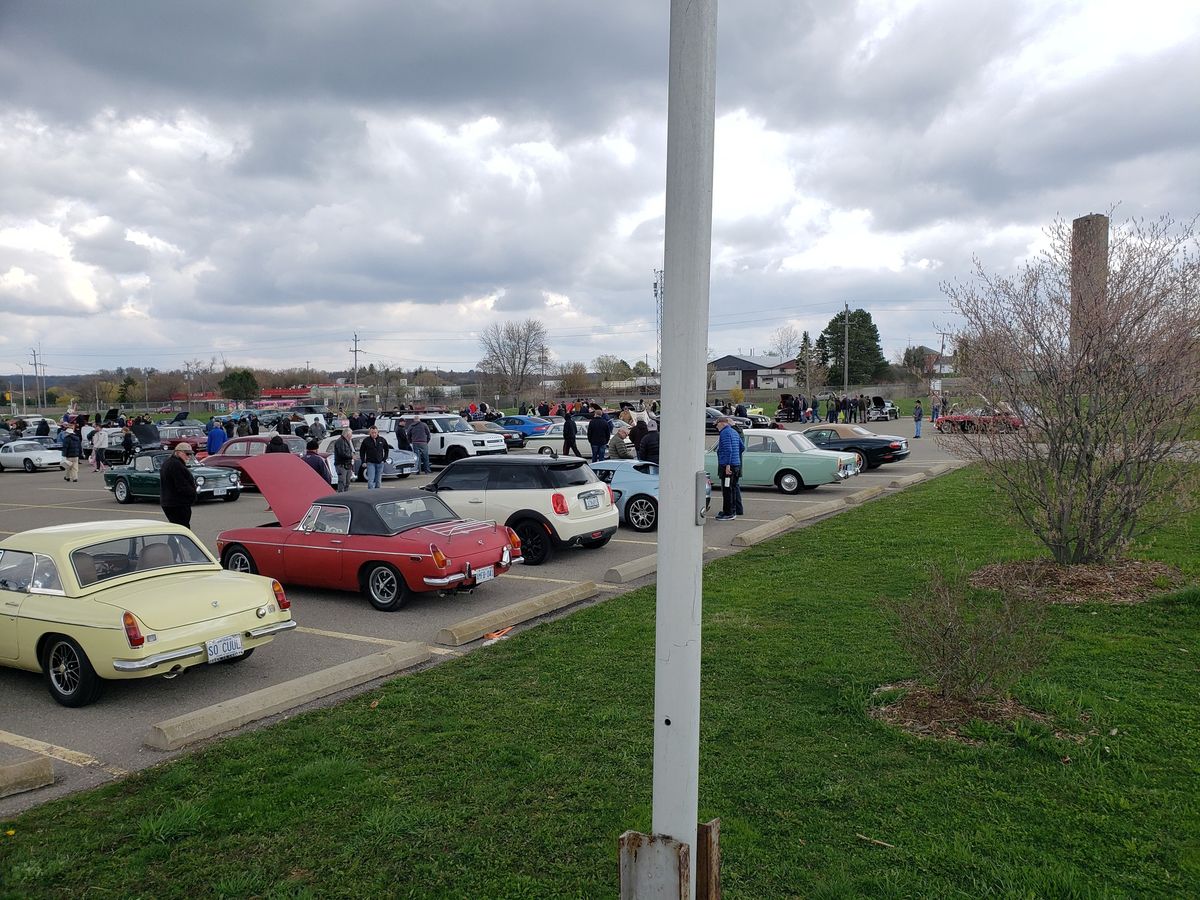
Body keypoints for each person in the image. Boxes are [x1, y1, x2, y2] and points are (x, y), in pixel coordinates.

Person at [160, 442, 198, 528]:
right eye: (187, 454)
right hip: (177, 503)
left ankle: (172, 542)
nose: (188, 456)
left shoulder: (169, 463)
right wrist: (193, 495)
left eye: (190, 454)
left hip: (170, 502)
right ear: (178, 452)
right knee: (183, 528)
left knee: (176, 528)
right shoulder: (175, 465)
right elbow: (181, 485)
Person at [714, 416, 744, 522]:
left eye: (717, 424)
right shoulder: (734, 432)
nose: (716, 427)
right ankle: (732, 510)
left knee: (727, 490)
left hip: (728, 467)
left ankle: (728, 513)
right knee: (733, 488)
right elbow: (742, 447)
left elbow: (728, 449)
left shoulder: (724, 433)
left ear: (722, 423)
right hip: (736, 465)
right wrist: (735, 458)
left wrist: (727, 465)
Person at [333, 427, 355, 492]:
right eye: (351, 434)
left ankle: (345, 495)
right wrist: (351, 456)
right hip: (341, 465)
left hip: (347, 465)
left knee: (347, 482)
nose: (351, 436)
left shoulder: (346, 441)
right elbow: (341, 453)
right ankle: (340, 496)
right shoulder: (340, 441)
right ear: (347, 434)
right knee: (342, 482)